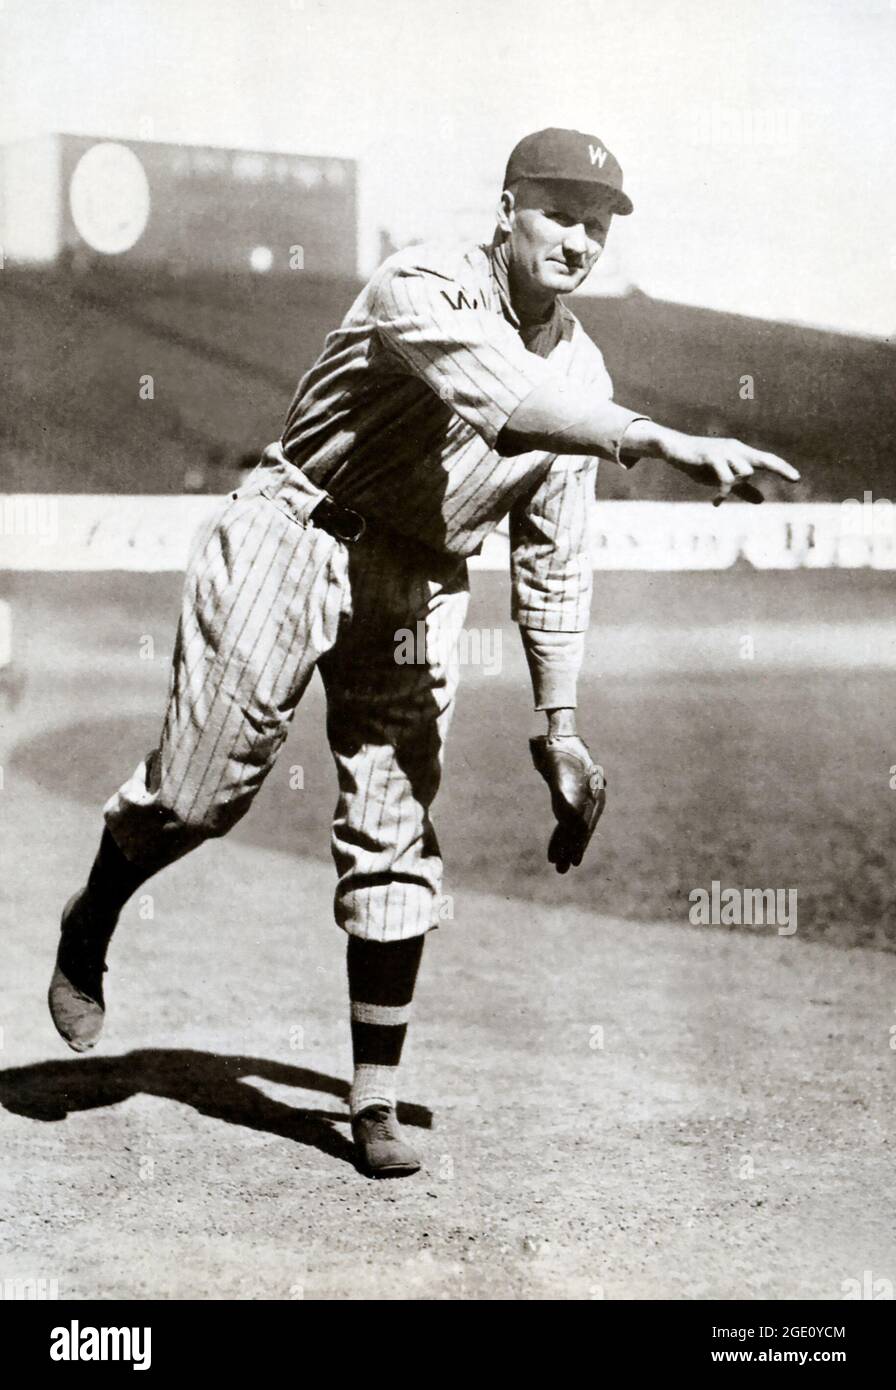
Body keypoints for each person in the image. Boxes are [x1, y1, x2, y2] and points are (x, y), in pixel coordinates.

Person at [49, 127, 798, 1177]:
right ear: (505, 208)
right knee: (197, 795)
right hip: (295, 526)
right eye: (558, 211)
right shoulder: (425, 282)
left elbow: (552, 560)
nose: (578, 238)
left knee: (397, 822)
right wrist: (662, 438)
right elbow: (503, 400)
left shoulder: (583, 365)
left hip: (418, 579)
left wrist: (562, 728)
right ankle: (96, 913)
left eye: (597, 223)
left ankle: (371, 1099)